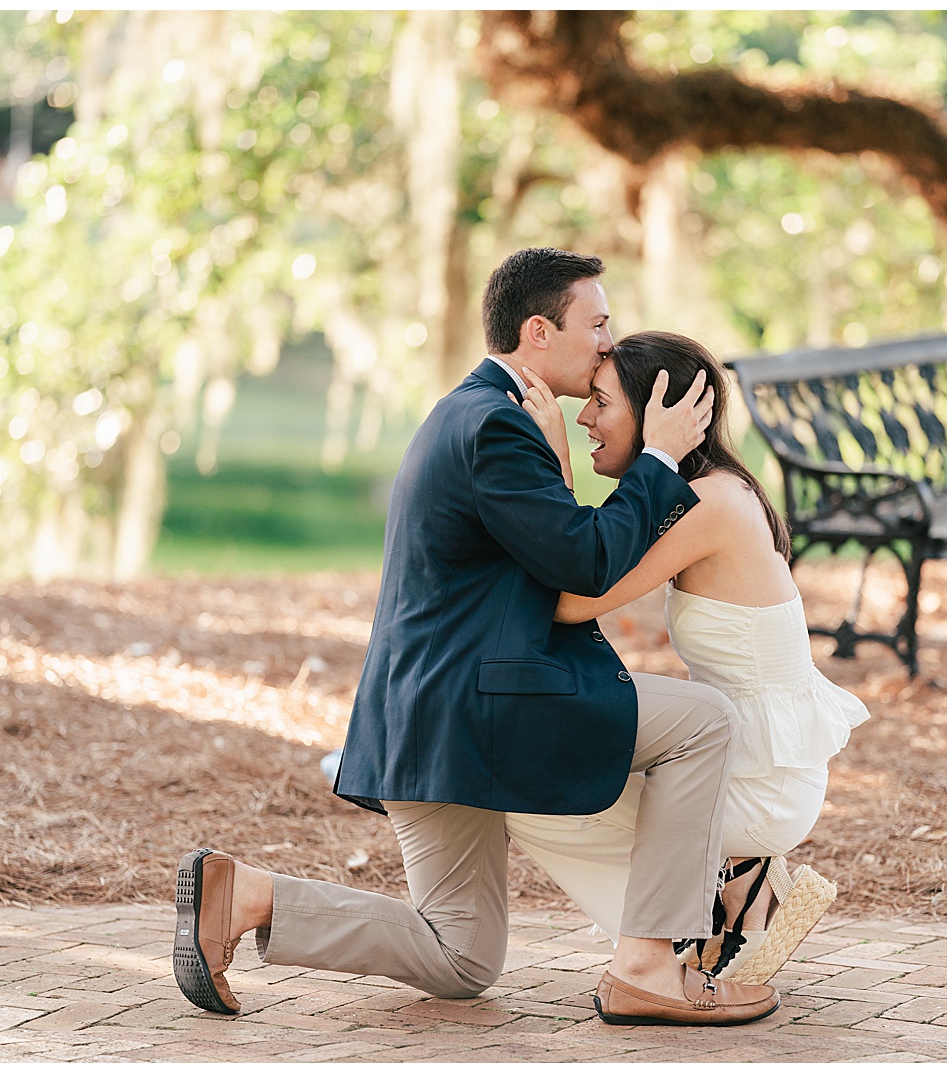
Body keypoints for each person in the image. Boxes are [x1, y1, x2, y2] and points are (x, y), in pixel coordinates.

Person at [173, 249, 781, 1028]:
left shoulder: (476, 413)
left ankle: (248, 895)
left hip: (429, 719)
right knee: (704, 723)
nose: (606, 344)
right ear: (539, 329)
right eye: (596, 325)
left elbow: (538, 547)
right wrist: (659, 455)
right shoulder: (495, 425)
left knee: (461, 956)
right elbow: (585, 563)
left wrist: (561, 461)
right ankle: (648, 964)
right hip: (478, 707)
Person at [505, 330, 871, 983]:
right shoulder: (708, 488)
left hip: (765, 784)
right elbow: (594, 552)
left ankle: (696, 908)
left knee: (526, 786)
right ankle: (731, 890)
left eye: (600, 401)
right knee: (565, 758)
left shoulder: (708, 504)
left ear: (656, 416)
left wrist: (557, 465)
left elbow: (572, 598)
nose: (583, 416)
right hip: (748, 760)